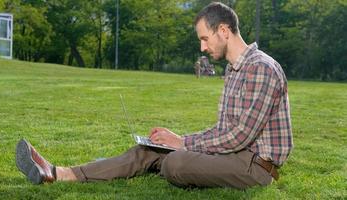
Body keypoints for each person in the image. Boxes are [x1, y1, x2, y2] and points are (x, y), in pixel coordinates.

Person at [15, 2, 293, 189]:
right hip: (233, 155)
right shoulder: (235, 70)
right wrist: (174, 140)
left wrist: (183, 142)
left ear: (224, 31)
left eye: (205, 38)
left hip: (254, 167)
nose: (202, 47)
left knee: (175, 161)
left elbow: (240, 135)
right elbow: (224, 131)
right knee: (150, 149)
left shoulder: (260, 68)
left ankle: (165, 158)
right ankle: (59, 173)